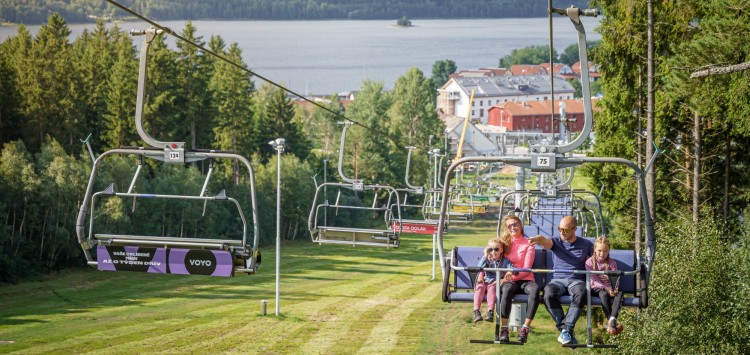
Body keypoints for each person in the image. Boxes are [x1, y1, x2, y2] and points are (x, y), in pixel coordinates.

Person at [528, 215, 593, 345]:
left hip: (576, 280)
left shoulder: (586, 244)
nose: (562, 232)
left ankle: (565, 330)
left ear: (574, 229)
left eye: (566, 230)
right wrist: (538, 239)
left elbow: (595, 261)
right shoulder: (556, 241)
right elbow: (545, 241)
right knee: (548, 294)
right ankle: (566, 330)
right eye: (560, 229)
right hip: (558, 280)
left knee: (582, 293)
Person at [496, 215, 539, 343]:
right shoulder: (504, 243)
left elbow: (526, 268)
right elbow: (491, 252)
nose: (513, 228)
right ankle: (504, 328)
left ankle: (525, 328)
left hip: (525, 278)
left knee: (535, 289)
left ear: (520, 225)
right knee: (507, 289)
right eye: (509, 226)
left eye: (515, 224)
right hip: (508, 281)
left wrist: (511, 276)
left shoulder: (528, 244)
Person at [585, 236, 624, 335]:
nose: (602, 254)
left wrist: (614, 288)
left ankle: (612, 319)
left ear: (609, 250)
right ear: (594, 249)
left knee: (619, 293)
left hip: (610, 288)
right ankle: (611, 322)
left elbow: (616, 278)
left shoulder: (612, 263)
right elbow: (593, 279)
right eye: (599, 251)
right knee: (603, 295)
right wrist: (607, 288)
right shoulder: (589, 263)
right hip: (596, 288)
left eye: (605, 251)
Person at [473, 239, 513, 323]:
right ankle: (476, 311)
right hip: (484, 280)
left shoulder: (505, 261)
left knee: (492, 288)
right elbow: (479, 267)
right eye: (490, 249)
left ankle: (490, 311)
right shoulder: (487, 259)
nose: (493, 252)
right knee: (479, 287)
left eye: (496, 249)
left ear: (501, 250)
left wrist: (509, 271)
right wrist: (485, 255)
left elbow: (511, 267)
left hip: (495, 281)